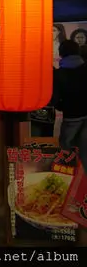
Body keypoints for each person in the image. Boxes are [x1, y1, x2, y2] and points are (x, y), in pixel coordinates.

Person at [53, 40, 87, 173]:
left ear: (61, 54)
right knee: (85, 152)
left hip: (71, 117)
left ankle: (70, 179)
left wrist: (63, 106)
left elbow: (55, 99)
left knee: (67, 152)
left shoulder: (59, 74)